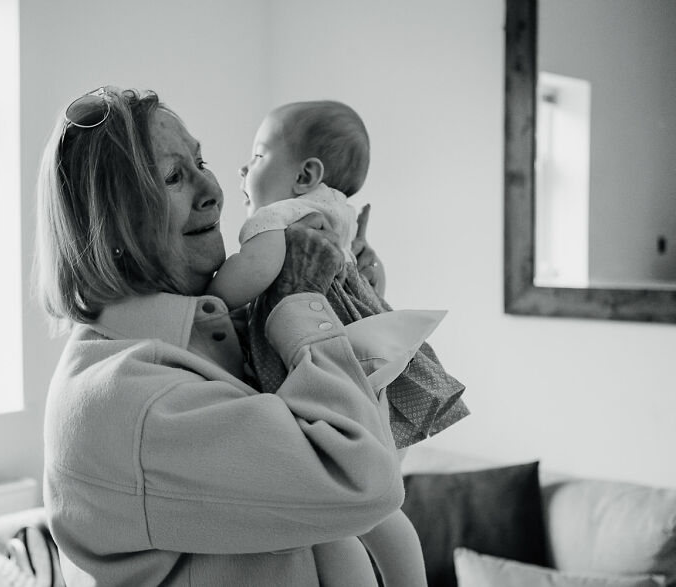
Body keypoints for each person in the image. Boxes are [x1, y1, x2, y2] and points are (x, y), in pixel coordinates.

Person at [35, 86, 406, 586]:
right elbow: (365, 483)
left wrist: (353, 301)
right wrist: (301, 297)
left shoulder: (222, 330)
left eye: (201, 162)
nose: (213, 190)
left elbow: (385, 451)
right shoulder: (135, 400)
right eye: (173, 176)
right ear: (111, 224)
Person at [208, 100, 470, 587]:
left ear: (305, 174)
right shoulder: (338, 215)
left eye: (258, 155)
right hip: (363, 366)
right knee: (374, 509)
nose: (244, 168)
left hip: (321, 368)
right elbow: (364, 286)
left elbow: (254, 272)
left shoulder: (281, 217)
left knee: (349, 508)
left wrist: (210, 294)